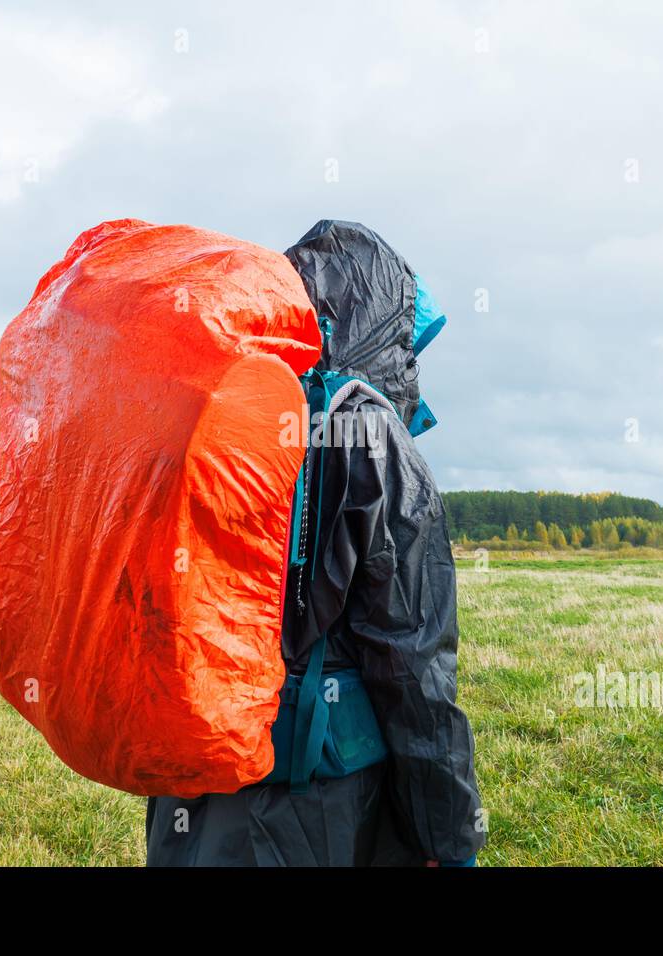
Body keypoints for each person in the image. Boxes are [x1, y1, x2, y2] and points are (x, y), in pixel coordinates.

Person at [145, 220, 484, 866]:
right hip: (317, 806)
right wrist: (450, 839)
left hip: (189, 790)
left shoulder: (206, 419)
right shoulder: (373, 441)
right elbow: (416, 677)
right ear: (378, 330)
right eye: (409, 348)